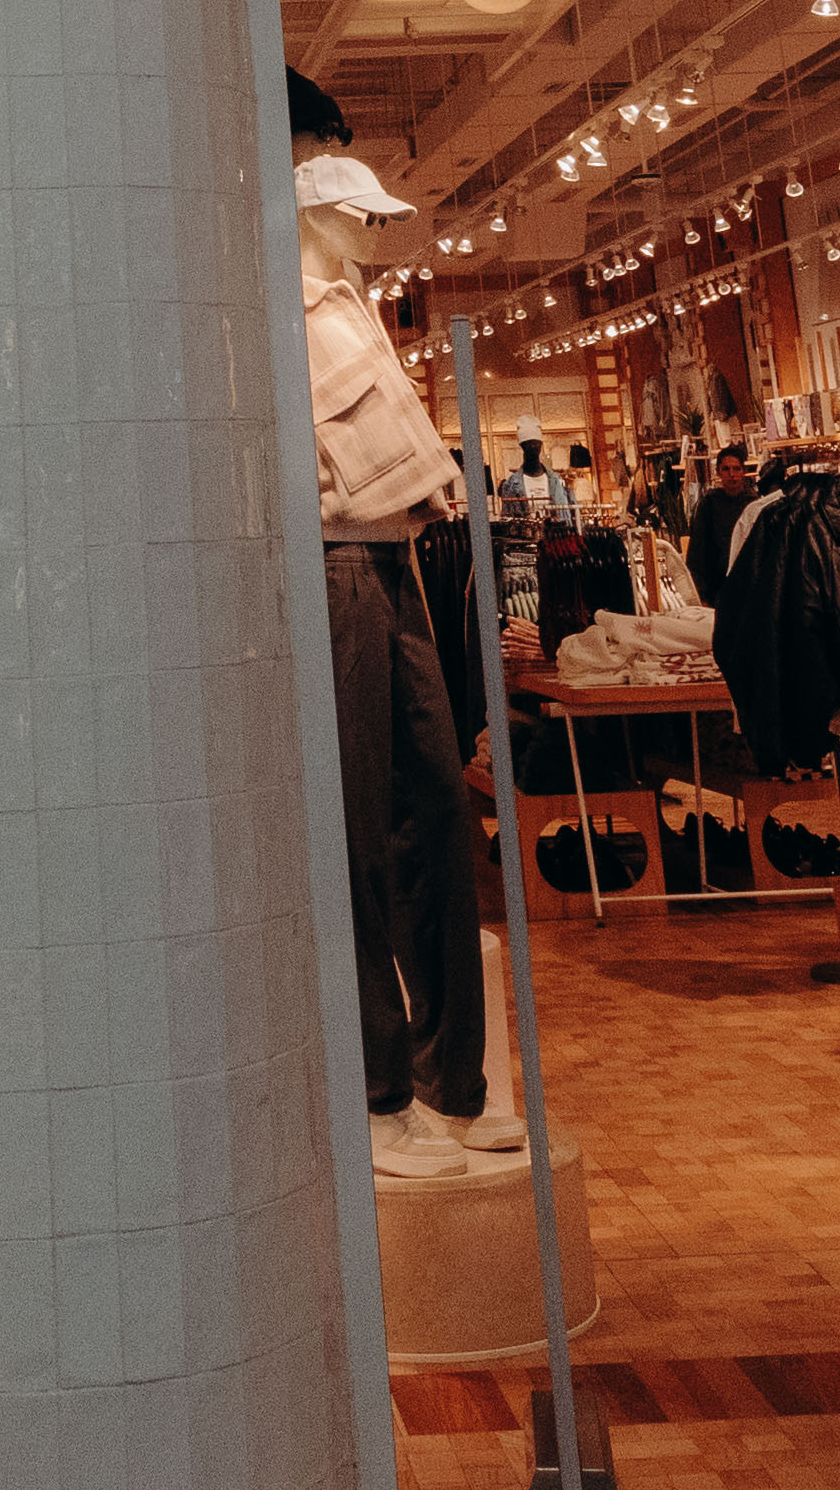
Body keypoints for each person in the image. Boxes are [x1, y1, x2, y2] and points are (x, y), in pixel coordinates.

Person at [289, 82, 515, 1178]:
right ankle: (378, 1096)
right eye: (321, 152)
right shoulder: (268, 301)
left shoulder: (346, 300)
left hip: (396, 554)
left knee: (433, 801)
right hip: (331, 558)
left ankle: (451, 1082)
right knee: (357, 823)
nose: (362, 221)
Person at [690, 446, 761, 606]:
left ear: (743, 471)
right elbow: (697, 552)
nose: (732, 474)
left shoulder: (754, 505)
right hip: (717, 588)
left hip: (750, 586)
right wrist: (700, 594)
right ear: (718, 472)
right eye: (726, 469)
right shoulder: (709, 504)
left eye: (736, 469)